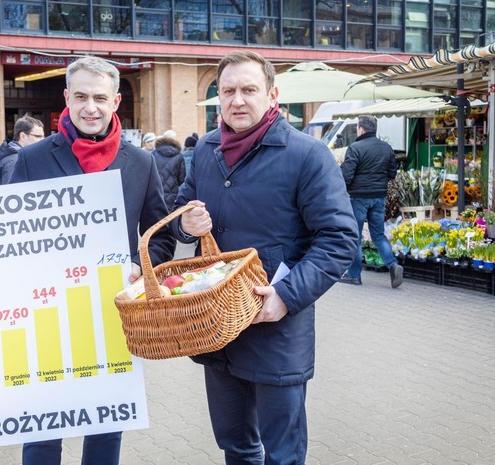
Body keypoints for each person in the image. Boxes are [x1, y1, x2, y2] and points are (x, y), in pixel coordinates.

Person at [0, 56, 175, 465]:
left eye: (100, 98)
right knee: (42, 429)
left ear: (116, 101)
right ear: (66, 98)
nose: (91, 107)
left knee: (106, 428)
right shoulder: (33, 159)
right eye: (81, 96)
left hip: (109, 315)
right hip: (44, 312)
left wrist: (139, 267)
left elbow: (160, 236)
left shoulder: (141, 163)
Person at [172, 51, 358, 465]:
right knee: (234, 444)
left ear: (272, 95)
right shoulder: (206, 149)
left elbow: (339, 238)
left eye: (249, 90)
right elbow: (181, 211)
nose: (237, 100)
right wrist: (186, 224)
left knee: (282, 453)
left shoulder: (307, 155)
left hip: (275, 327)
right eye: (228, 91)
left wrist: (287, 296)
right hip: (218, 328)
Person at [339, 114, 403, 288]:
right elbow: (392, 173)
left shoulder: (355, 148)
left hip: (359, 197)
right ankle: (393, 265)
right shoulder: (386, 148)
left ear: (360, 128)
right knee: (378, 235)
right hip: (378, 197)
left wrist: (342, 191)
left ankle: (354, 275)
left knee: (355, 236)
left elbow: (346, 175)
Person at [0, 116, 44, 185]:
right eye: (38, 136)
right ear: (23, 136)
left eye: (43, 137)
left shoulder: (16, 159)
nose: (43, 140)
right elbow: (12, 190)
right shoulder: (15, 161)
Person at [151, 133, 185, 211]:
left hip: (157, 192)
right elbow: (182, 178)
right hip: (173, 193)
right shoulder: (179, 156)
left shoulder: (154, 154)